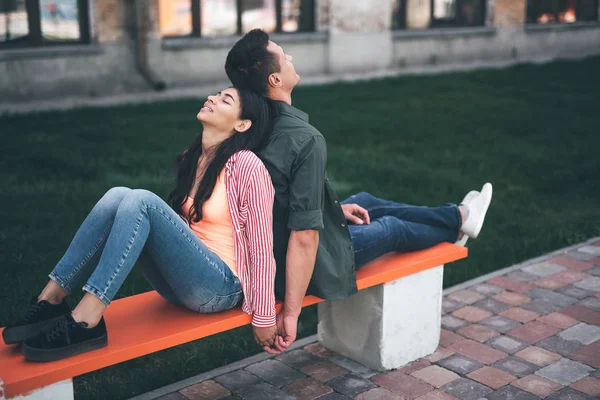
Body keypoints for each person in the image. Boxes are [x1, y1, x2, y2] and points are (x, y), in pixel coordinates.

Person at [225, 29, 494, 354]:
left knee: (364, 203)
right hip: (299, 264)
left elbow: (277, 204)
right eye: (284, 57)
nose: (291, 59)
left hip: (273, 245)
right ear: (275, 80)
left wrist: (334, 212)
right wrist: (291, 313)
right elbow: (305, 234)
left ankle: (460, 215)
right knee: (392, 229)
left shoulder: (248, 126)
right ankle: (454, 226)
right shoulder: (303, 138)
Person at [2, 88, 280, 361]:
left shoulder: (247, 167)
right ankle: (50, 300)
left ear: (242, 124)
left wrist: (265, 316)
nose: (212, 98)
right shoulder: (193, 156)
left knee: (142, 201)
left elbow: (261, 247)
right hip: (184, 283)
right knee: (118, 195)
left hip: (221, 287)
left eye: (225, 99)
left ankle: (87, 319)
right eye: (216, 94)